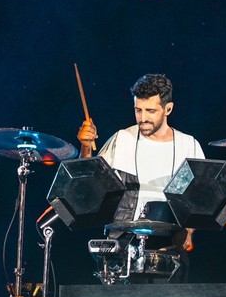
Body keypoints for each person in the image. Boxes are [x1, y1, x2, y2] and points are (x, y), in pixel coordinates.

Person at [76, 73, 205, 281]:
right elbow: (88, 185)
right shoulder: (122, 138)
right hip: (124, 243)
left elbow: (199, 198)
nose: (143, 118)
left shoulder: (188, 145)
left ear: (168, 109)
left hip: (169, 245)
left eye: (150, 111)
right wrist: (85, 147)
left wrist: (189, 232)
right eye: (138, 110)